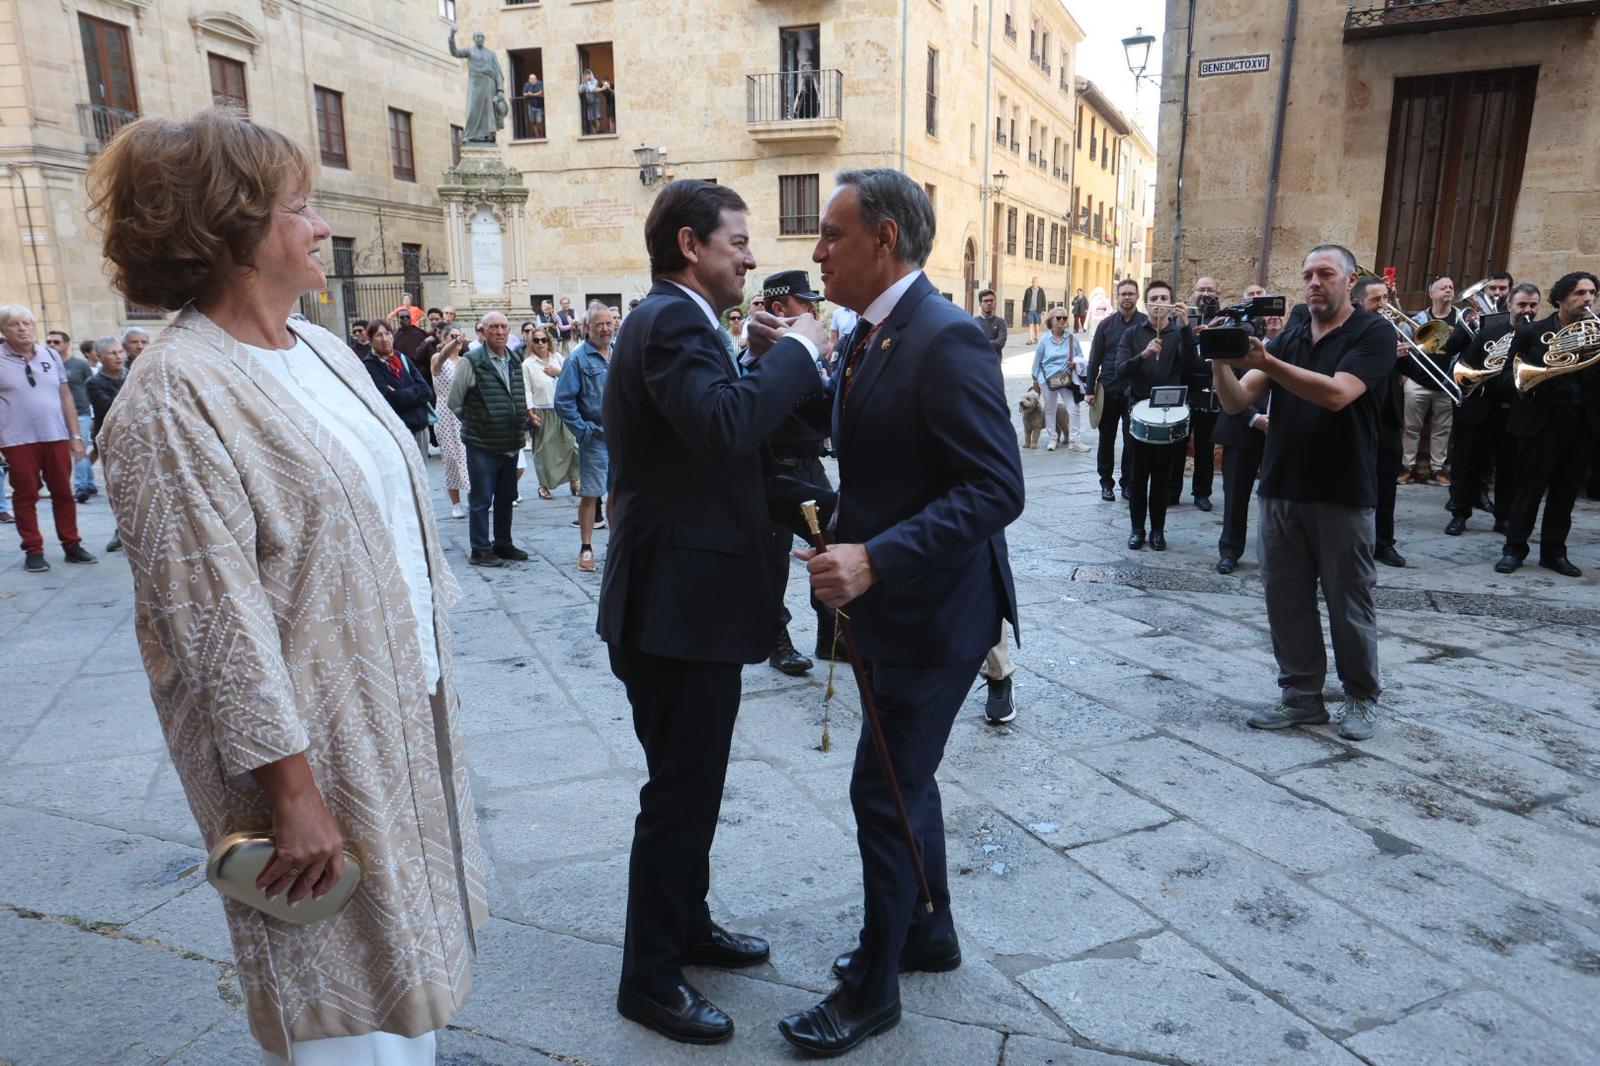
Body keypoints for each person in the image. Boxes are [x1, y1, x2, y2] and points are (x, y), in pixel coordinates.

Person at [88, 109, 484, 1066]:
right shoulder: (172, 395)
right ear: (229, 230)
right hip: (307, 747)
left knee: (408, 978)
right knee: (342, 1001)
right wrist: (292, 797)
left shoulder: (322, 349)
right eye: (298, 206)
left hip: (396, 706)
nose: (320, 225)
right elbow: (211, 623)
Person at [781, 168, 1023, 1057]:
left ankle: (873, 990)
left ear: (884, 240)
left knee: (881, 793)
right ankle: (927, 930)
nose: (817, 252)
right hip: (894, 610)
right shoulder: (870, 333)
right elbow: (875, 450)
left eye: (832, 235)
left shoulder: (945, 335)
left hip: (936, 614)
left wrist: (875, 557)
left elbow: (996, 488)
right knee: (903, 782)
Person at [596, 180, 829, 1047]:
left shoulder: (684, 323)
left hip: (682, 605)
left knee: (691, 787)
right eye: (738, 241)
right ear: (690, 244)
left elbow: (714, 436)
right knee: (679, 797)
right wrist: (795, 350)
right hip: (674, 609)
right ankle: (649, 978)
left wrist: (761, 359)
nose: (751, 257)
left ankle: (686, 926)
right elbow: (725, 426)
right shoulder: (671, 321)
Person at [1211, 244, 1392, 743]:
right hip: (1281, 487)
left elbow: (1337, 394)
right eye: (1308, 274)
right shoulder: (1290, 337)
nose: (1314, 282)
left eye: (1325, 274)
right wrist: (1218, 360)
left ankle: (1360, 696)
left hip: (1342, 490)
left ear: (1350, 281)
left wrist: (1268, 360)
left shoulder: (1373, 332)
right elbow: (1237, 401)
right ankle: (1301, 698)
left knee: (1349, 601)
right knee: (1285, 601)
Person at [759, 268, 837, 676]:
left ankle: (830, 634)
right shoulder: (769, 355)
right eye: (804, 304)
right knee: (773, 562)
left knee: (832, 545)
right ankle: (777, 640)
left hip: (811, 465)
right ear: (779, 308)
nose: (813, 312)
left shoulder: (807, 351)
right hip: (780, 468)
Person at [1494, 271, 1599, 577]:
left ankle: (1554, 553)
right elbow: (1506, 377)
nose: (1588, 299)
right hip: (1541, 422)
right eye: (1580, 293)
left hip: (1581, 425)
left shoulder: (1596, 333)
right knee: (1528, 491)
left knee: (1565, 494)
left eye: (1592, 293)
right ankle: (1514, 549)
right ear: (1561, 298)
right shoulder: (1532, 332)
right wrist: (1539, 376)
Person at [1107, 281, 1204, 551]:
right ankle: (1137, 529)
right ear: (1146, 303)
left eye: (1164, 298)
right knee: (1137, 477)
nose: (1159, 303)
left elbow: (1193, 366)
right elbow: (1119, 371)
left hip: (1169, 414)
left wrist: (1186, 330)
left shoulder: (1178, 332)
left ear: (1171, 303)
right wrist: (1144, 354)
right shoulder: (1132, 334)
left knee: (1162, 478)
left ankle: (1158, 530)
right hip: (1139, 411)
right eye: (1154, 298)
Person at [0, 306, 95, 572]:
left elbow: (65, 396)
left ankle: (72, 545)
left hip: (55, 436)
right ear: (3, 330)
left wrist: (75, 436)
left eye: (27, 323)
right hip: (16, 440)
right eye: (15, 324)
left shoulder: (50, 355)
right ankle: (33, 550)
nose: (23, 328)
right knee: (25, 495)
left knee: (63, 493)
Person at [1446, 283, 1538, 537]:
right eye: (1522, 304)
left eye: (1533, 305)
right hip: (1482, 408)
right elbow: (1467, 365)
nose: (1527, 310)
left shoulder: (1539, 335)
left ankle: (1504, 518)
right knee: (1469, 465)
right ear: (1509, 306)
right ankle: (1459, 514)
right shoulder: (1489, 332)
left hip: (1516, 411)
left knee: (1510, 469)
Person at [446, 310, 531, 567]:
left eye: (503, 326)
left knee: (506, 496)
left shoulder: (515, 359)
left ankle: (503, 543)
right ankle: (480, 549)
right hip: (482, 443)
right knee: (482, 499)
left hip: (510, 440)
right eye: (493, 327)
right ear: (482, 331)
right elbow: (455, 402)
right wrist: (479, 423)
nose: (499, 331)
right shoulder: (471, 361)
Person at [1351, 276, 1410, 568]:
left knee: (1387, 486)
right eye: (1376, 299)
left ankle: (1384, 543)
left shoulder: (1391, 331)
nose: (1383, 305)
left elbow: (1414, 370)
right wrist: (1387, 355)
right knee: (1353, 485)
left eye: (1385, 298)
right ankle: (1352, 542)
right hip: (1357, 419)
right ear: (1359, 302)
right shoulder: (1350, 332)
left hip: (1387, 420)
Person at [553, 302, 613, 572]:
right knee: (591, 494)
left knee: (618, 494)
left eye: (609, 323)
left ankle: (615, 545)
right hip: (595, 438)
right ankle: (586, 548)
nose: (606, 328)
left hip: (621, 439)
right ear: (587, 327)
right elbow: (563, 401)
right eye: (600, 324)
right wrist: (584, 431)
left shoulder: (619, 353)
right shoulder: (577, 359)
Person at [1084, 279, 1144, 501]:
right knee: (1106, 439)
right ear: (1117, 297)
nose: (1127, 297)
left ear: (1137, 296)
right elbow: (1094, 359)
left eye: (1131, 293)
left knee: (1132, 440)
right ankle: (1106, 483)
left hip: (1135, 392)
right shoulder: (1106, 325)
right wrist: (1089, 390)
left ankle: (1127, 483)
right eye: (1123, 294)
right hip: (1108, 390)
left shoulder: (1145, 324)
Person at [1401, 276, 1459, 484]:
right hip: (1417, 383)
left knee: (1442, 430)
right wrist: (1406, 380)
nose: (1448, 290)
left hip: (1447, 384)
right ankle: (1407, 466)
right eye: (1443, 288)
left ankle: (1437, 469)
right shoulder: (1418, 320)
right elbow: (1402, 349)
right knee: (1410, 427)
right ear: (1431, 293)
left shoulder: (1461, 319)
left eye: (1451, 287)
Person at [1171, 276, 1221, 510]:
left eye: (1210, 289)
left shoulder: (1224, 320)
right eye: (1201, 289)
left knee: (1205, 447)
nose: (1205, 293)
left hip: (1209, 390)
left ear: (1218, 293)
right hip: (1184, 390)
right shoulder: (1181, 318)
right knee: (1177, 445)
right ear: (1193, 292)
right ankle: (1172, 491)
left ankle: (1202, 493)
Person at [360, 319, 433, 458]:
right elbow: (388, 400)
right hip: (397, 433)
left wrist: (400, 394)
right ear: (370, 340)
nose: (384, 339)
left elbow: (426, 391)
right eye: (379, 335)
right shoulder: (370, 366)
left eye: (387, 333)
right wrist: (412, 393)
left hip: (420, 428)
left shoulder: (402, 358)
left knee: (422, 470)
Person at [522, 323, 579, 500]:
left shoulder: (557, 358)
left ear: (548, 341)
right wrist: (530, 412)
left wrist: (557, 372)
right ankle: (543, 485)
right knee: (544, 450)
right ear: (531, 343)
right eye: (536, 340)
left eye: (543, 340)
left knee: (572, 446)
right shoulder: (528, 364)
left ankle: (574, 480)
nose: (540, 343)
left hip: (563, 409)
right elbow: (527, 390)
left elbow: (571, 377)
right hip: (542, 410)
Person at [86, 336, 127, 551]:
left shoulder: (132, 374)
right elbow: (109, 407)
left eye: (120, 352)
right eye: (112, 353)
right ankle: (121, 531)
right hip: (111, 440)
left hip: (136, 438)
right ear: (100, 357)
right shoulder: (94, 383)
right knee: (118, 489)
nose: (119, 356)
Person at [1031, 307, 1088, 453]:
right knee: (1050, 409)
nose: (1062, 320)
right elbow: (1037, 362)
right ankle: (1052, 438)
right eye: (1058, 318)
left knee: (1074, 408)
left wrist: (1075, 363)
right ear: (1051, 320)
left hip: (1066, 379)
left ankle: (1075, 441)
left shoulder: (1071, 338)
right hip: (1047, 380)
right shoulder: (1044, 340)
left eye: (1064, 318)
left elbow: (1080, 357)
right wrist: (1035, 381)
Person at [430, 327, 471, 519]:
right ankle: (456, 503)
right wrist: (454, 342)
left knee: (469, 456)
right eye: (453, 336)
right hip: (446, 413)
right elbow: (442, 357)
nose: (458, 340)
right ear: (444, 338)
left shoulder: (465, 361)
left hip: (465, 411)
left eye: (459, 336)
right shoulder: (437, 358)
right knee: (451, 459)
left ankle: (473, 496)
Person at [58, 330, 99, 503]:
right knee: (76, 449)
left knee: (78, 449)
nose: (52, 345)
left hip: (81, 412)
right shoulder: (49, 364)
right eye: (49, 342)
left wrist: (93, 415)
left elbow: (93, 388)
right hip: (60, 415)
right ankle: (89, 483)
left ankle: (80, 486)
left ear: (67, 344)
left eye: (56, 342)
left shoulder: (80, 365)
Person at [974, 288, 1006, 363]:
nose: (989, 303)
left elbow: (1000, 343)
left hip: (995, 362)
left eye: (991, 300)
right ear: (980, 304)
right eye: (986, 301)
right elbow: (972, 343)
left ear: (995, 302)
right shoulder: (974, 322)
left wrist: (981, 342)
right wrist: (992, 342)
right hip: (978, 362)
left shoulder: (1001, 322)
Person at [1022, 275, 1046, 344]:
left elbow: (1043, 300)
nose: (1034, 283)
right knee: (1030, 325)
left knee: (1037, 325)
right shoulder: (1028, 290)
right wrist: (1024, 310)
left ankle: (1036, 338)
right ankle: (1030, 340)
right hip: (1029, 310)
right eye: (1033, 281)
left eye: (1035, 281)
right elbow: (1025, 301)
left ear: (1038, 282)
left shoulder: (1041, 290)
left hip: (1038, 310)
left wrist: (1043, 310)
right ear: (1031, 282)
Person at [522, 70, 544, 138]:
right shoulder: (527, 85)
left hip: (539, 106)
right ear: (529, 80)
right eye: (532, 79)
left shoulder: (539, 83)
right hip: (531, 106)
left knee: (539, 122)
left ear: (536, 79)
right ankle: (538, 137)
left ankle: (542, 136)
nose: (533, 80)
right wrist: (528, 94)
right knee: (533, 122)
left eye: (534, 78)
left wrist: (531, 94)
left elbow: (540, 93)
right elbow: (524, 94)